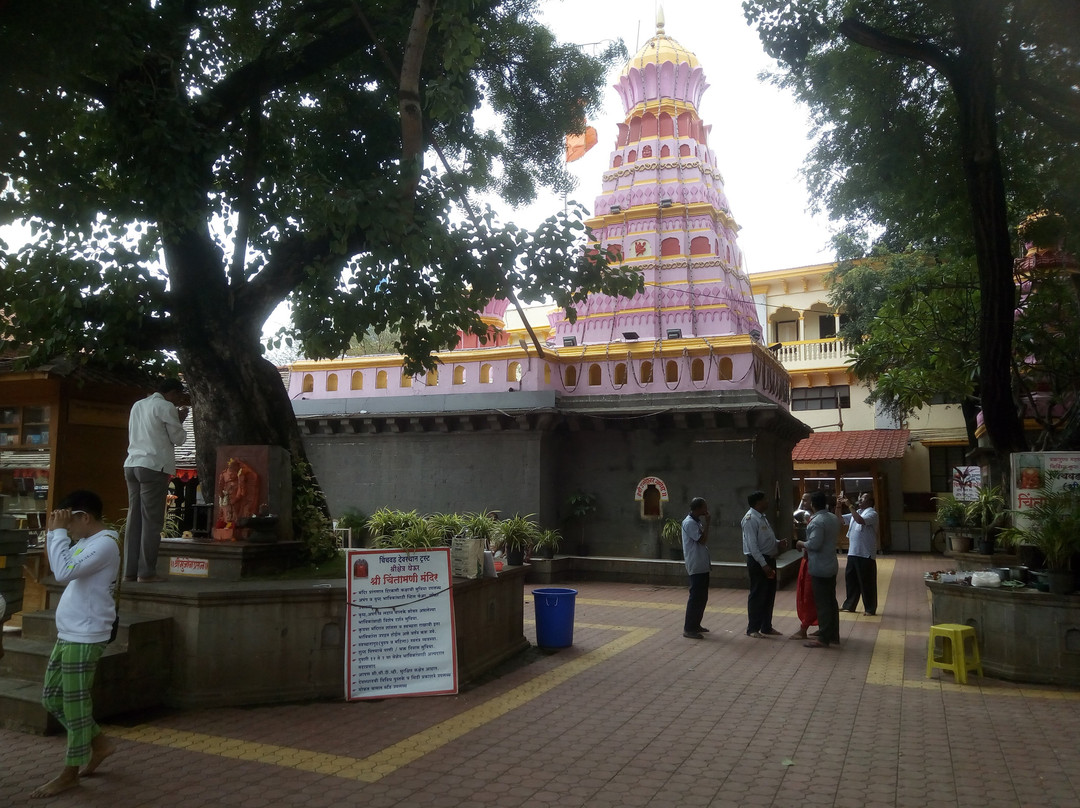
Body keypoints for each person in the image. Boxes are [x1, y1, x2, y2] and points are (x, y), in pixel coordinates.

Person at [31, 490, 120, 799]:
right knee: (52, 698)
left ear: (85, 518)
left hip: (86, 635)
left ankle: (70, 772)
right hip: (69, 633)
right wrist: (57, 534)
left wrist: (56, 533)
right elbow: (62, 564)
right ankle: (99, 743)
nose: (68, 530)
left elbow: (63, 571)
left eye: (71, 523)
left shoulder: (105, 545)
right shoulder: (86, 542)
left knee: (75, 706)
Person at [123, 378, 188, 582]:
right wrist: (181, 419)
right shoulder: (166, 406)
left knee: (134, 520)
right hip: (153, 466)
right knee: (151, 522)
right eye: (178, 396)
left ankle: (129, 572)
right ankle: (146, 572)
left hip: (132, 463)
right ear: (173, 393)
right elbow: (179, 439)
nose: (178, 401)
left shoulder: (138, 405)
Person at [797, 491, 840, 648]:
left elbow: (814, 544)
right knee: (831, 602)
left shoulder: (817, 521)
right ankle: (833, 634)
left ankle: (823, 637)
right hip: (831, 564)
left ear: (813, 505)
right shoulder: (833, 518)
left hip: (819, 567)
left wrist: (801, 543)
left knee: (822, 603)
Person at [741, 490, 786, 638]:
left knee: (769, 594)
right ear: (758, 502)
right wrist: (763, 565)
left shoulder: (762, 517)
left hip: (769, 559)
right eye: (765, 499)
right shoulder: (750, 519)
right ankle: (753, 628)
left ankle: (766, 626)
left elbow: (765, 539)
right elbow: (753, 546)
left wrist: (778, 543)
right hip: (758, 562)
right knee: (758, 594)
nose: (768, 501)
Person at [838, 492, 879, 616]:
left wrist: (849, 505)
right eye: (860, 499)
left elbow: (860, 521)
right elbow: (839, 519)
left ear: (870, 502)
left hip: (865, 554)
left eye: (863, 499)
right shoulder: (857, 513)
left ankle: (870, 608)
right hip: (853, 553)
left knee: (867, 582)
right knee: (851, 580)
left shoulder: (872, 513)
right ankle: (849, 605)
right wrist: (838, 506)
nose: (860, 500)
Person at [681, 497, 711, 640]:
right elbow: (702, 540)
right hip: (695, 564)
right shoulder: (689, 523)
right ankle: (689, 628)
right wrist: (708, 524)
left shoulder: (696, 521)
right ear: (698, 508)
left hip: (702, 564)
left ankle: (696, 624)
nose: (707, 509)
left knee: (702, 597)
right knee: (695, 597)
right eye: (705, 507)